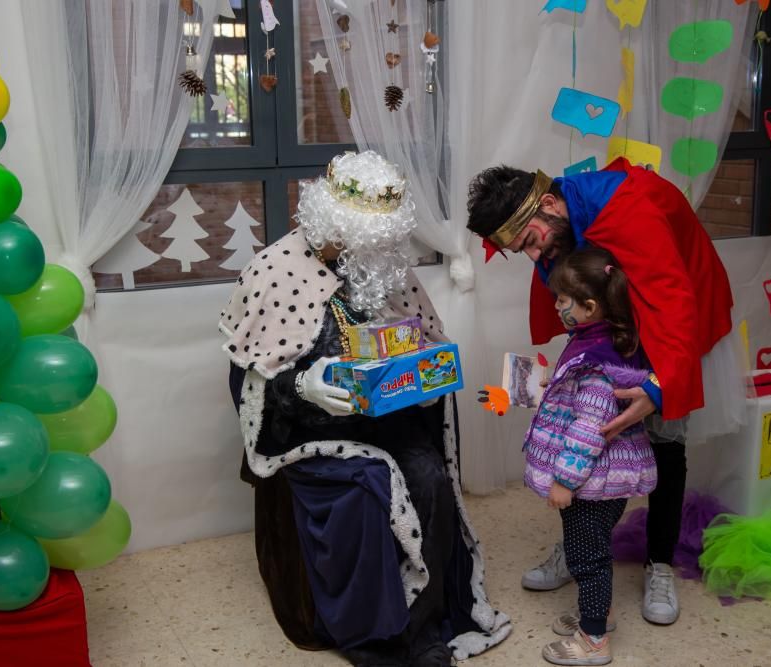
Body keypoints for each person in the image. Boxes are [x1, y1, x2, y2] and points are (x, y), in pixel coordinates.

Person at [221, 151, 511, 666]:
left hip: (389, 422)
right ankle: (377, 637)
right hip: (308, 435)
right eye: (364, 241)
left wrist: (422, 377)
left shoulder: (385, 269)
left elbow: (422, 338)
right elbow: (247, 380)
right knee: (365, 491)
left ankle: (422, 629)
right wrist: (300, 386)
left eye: (382, 242)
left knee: (430, 480)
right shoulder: (274, 271)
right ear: (332, 224)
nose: (377, 252)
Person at [466, 159, 743, 626]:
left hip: (677, 318)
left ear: (549, 204)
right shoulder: (560, 222)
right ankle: (581, 548)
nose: (536, 258)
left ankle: (659, 564)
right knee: (585, 442)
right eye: (522, 251)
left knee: (664, 441)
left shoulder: (629, 211)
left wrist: (656, 389)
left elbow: (675, 304)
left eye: (532, 242)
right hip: (617, 320)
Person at [523, 247, 657, 666]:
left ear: (588, 307)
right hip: (600, 479)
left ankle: (593, 640)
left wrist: (564, 480)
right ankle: (599, 615)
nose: (557, 307)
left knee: (588, 558)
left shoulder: (596, 362)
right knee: (593, 548)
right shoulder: (599, 340)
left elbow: (589, 430)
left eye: (563, 301)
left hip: (590, 482)